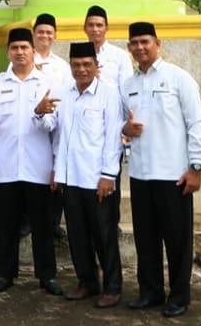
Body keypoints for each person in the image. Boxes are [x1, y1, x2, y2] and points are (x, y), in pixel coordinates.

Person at [123, 22, 201, 318]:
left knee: (177, 240)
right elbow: (123, 128)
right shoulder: (128, 84)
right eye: (134, 43)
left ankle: (180, 296)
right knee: (145, 239)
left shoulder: (178, 78)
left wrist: (195, 167)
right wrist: (126, 128)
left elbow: (195, 124)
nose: (139, 47)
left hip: (173, 174)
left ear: (158, 43)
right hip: (141, 174)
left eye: (145, 41)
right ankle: (151, 292)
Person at [0, 28, 61, 296]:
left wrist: (39, 112)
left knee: (42, 227)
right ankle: (5, 274)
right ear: (9, 52)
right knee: (7, 227)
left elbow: (54, 125)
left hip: (38, 168)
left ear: (33, 51)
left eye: (25, 47)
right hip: (6, 168)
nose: (20, 52)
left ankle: (47, 275)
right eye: (15, 48)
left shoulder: (46, 83)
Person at [53, 42, 124, 308]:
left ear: (97, 66)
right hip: (71, 179)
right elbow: (60, 136)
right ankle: (87, 282)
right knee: (78, 235)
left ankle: (113, 287)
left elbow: (113, 138)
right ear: (70, 66)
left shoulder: (109, 93)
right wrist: (58, 173)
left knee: (104, 235)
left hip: (98, 180)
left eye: (86, 64)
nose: (81, 70)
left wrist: (108, 175)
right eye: (76, 65)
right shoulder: (66, 94)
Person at [32, 13, 71, 238]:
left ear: (55, 36)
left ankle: (54, 220)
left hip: (57, 123)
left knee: (56, 167)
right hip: (33, 121)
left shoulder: (62, 66)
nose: (45, 36)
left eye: (49, 32)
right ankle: (28, 219)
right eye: (40, 32)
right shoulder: (25, 59)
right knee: (32, 167)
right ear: (34, 35)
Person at [83, 5, 131, 98]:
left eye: (99, 25)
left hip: (113, 109)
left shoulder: (120, 55)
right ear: (84, 28)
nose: (95, 29)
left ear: (106, 29)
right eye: (91, 25)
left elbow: (127, 90)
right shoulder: (79, 56)